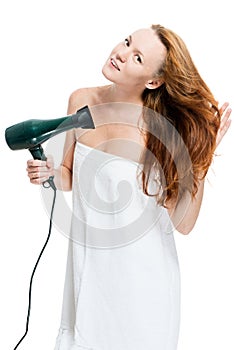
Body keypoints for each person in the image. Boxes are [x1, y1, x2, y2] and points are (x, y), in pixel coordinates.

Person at [26, 24, 231, 350]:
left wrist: (200, 164)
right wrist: (47, 172)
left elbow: (184, 223)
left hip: (144, 288)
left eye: (136, 57)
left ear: (153, 81)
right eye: (127, 41)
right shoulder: (81, 101)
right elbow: (67, 174)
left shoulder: (162, 132)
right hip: (89, 274)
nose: (120, 53)